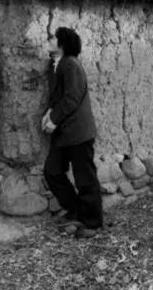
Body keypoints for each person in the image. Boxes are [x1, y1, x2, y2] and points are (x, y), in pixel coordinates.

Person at [42, 27, 102, 238]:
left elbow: (72, 98)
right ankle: (76, 210)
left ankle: (92, 222)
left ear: (62, 44)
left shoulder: (71, 65)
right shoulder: (54, 64)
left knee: (85, 178)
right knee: (52, 171)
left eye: (53, 38)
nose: (49, 40)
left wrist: (54, 120)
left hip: (77, 131)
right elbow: (56, 95)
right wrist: (49, 112)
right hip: (63, 132)